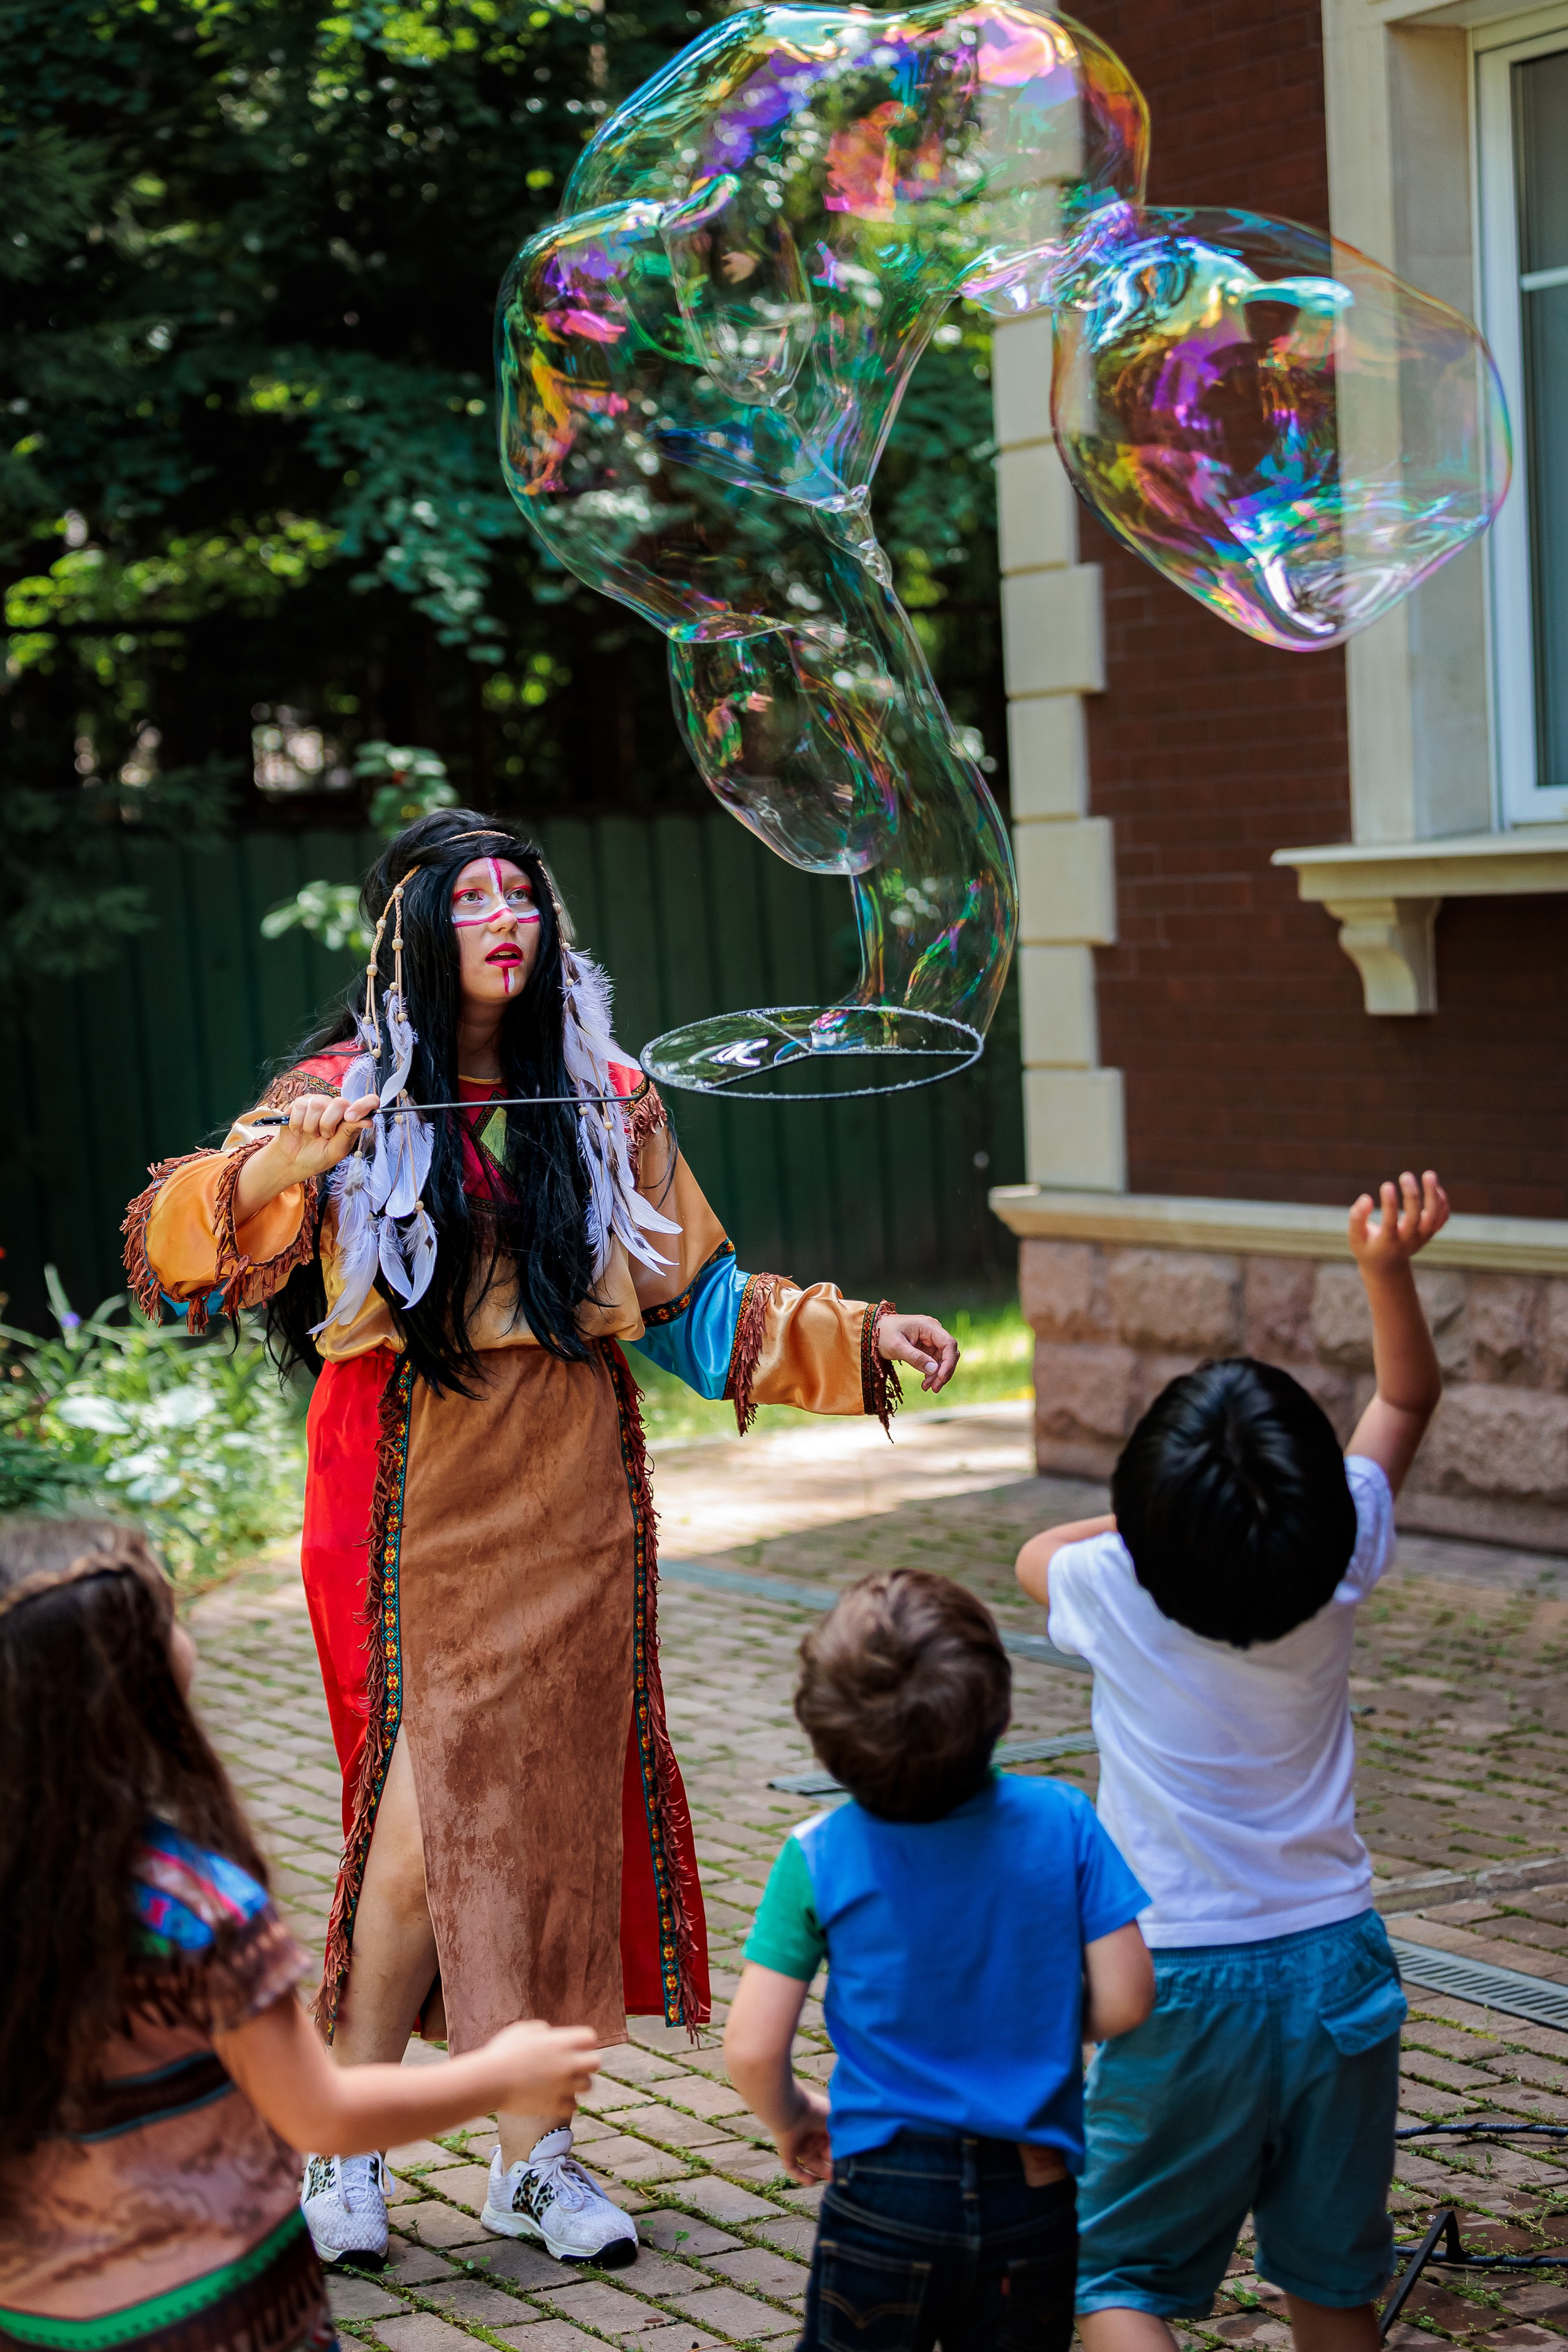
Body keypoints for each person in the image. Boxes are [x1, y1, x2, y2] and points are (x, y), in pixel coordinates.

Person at [122, 806, 960, 2271]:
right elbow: (183, 1247)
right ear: (412, 934)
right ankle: (343, 2149)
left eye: (525, 895)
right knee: (415, 1831)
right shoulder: (341, 1091)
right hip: (402, 1502)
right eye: (474, 899)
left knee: (552, 1832)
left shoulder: (610, 1095)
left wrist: (858, 1332)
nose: (508, 917)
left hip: (570, 1500)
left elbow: (697, 1300)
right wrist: (277, 1168)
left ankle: (536, 2158)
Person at [1014, 1169, 1452, 2352]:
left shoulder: (1112, 1585)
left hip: (1179, 1982)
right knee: (1331, 2276)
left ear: (1147, 1512)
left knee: (1118, 2276)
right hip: (1339, 1972)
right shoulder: (1343, 1546)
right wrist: (1384, 1267)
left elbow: (1033, 1551)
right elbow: (1406, 1398)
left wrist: (1150, 1529)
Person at [0, 1517, 603, 2352]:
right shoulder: (196, 1910)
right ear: (132, 1689)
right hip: (214, 2315)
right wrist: (500, 2074)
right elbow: (319, 2113)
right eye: (169, 1616)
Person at [724, 1569, 1153, 2350]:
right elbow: (1126, 2001)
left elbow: (753, 2047)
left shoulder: (818, 1854)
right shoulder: (1063, 1820)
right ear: (1000, 1702)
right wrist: (1035, 2012)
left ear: (823, 1734)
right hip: (1033, 2185)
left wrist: (795, 2119)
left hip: (884, 2188)